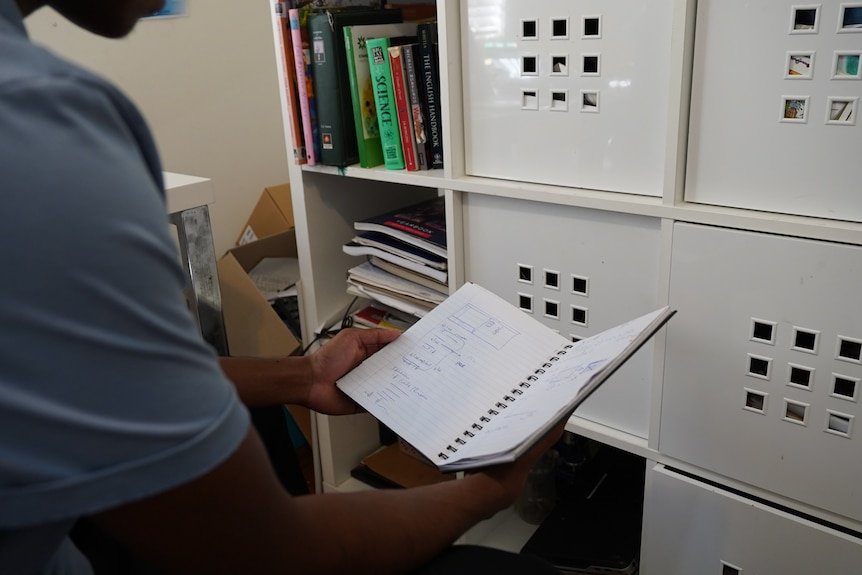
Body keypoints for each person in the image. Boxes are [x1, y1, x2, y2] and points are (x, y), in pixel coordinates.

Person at [0, 1, 566, 573]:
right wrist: (485, 493)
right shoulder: (39, 123)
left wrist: (305, 376)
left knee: (243, 410)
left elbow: (102, 382)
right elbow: (268, 551)